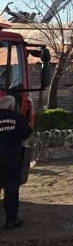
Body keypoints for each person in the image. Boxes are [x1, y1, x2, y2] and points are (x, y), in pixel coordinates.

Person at [0, 95, 31, 229]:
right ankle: (11, 220)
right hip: (12, 160)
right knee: (11, 190)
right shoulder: (18, 118)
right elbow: (27, 134)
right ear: (12, 106)